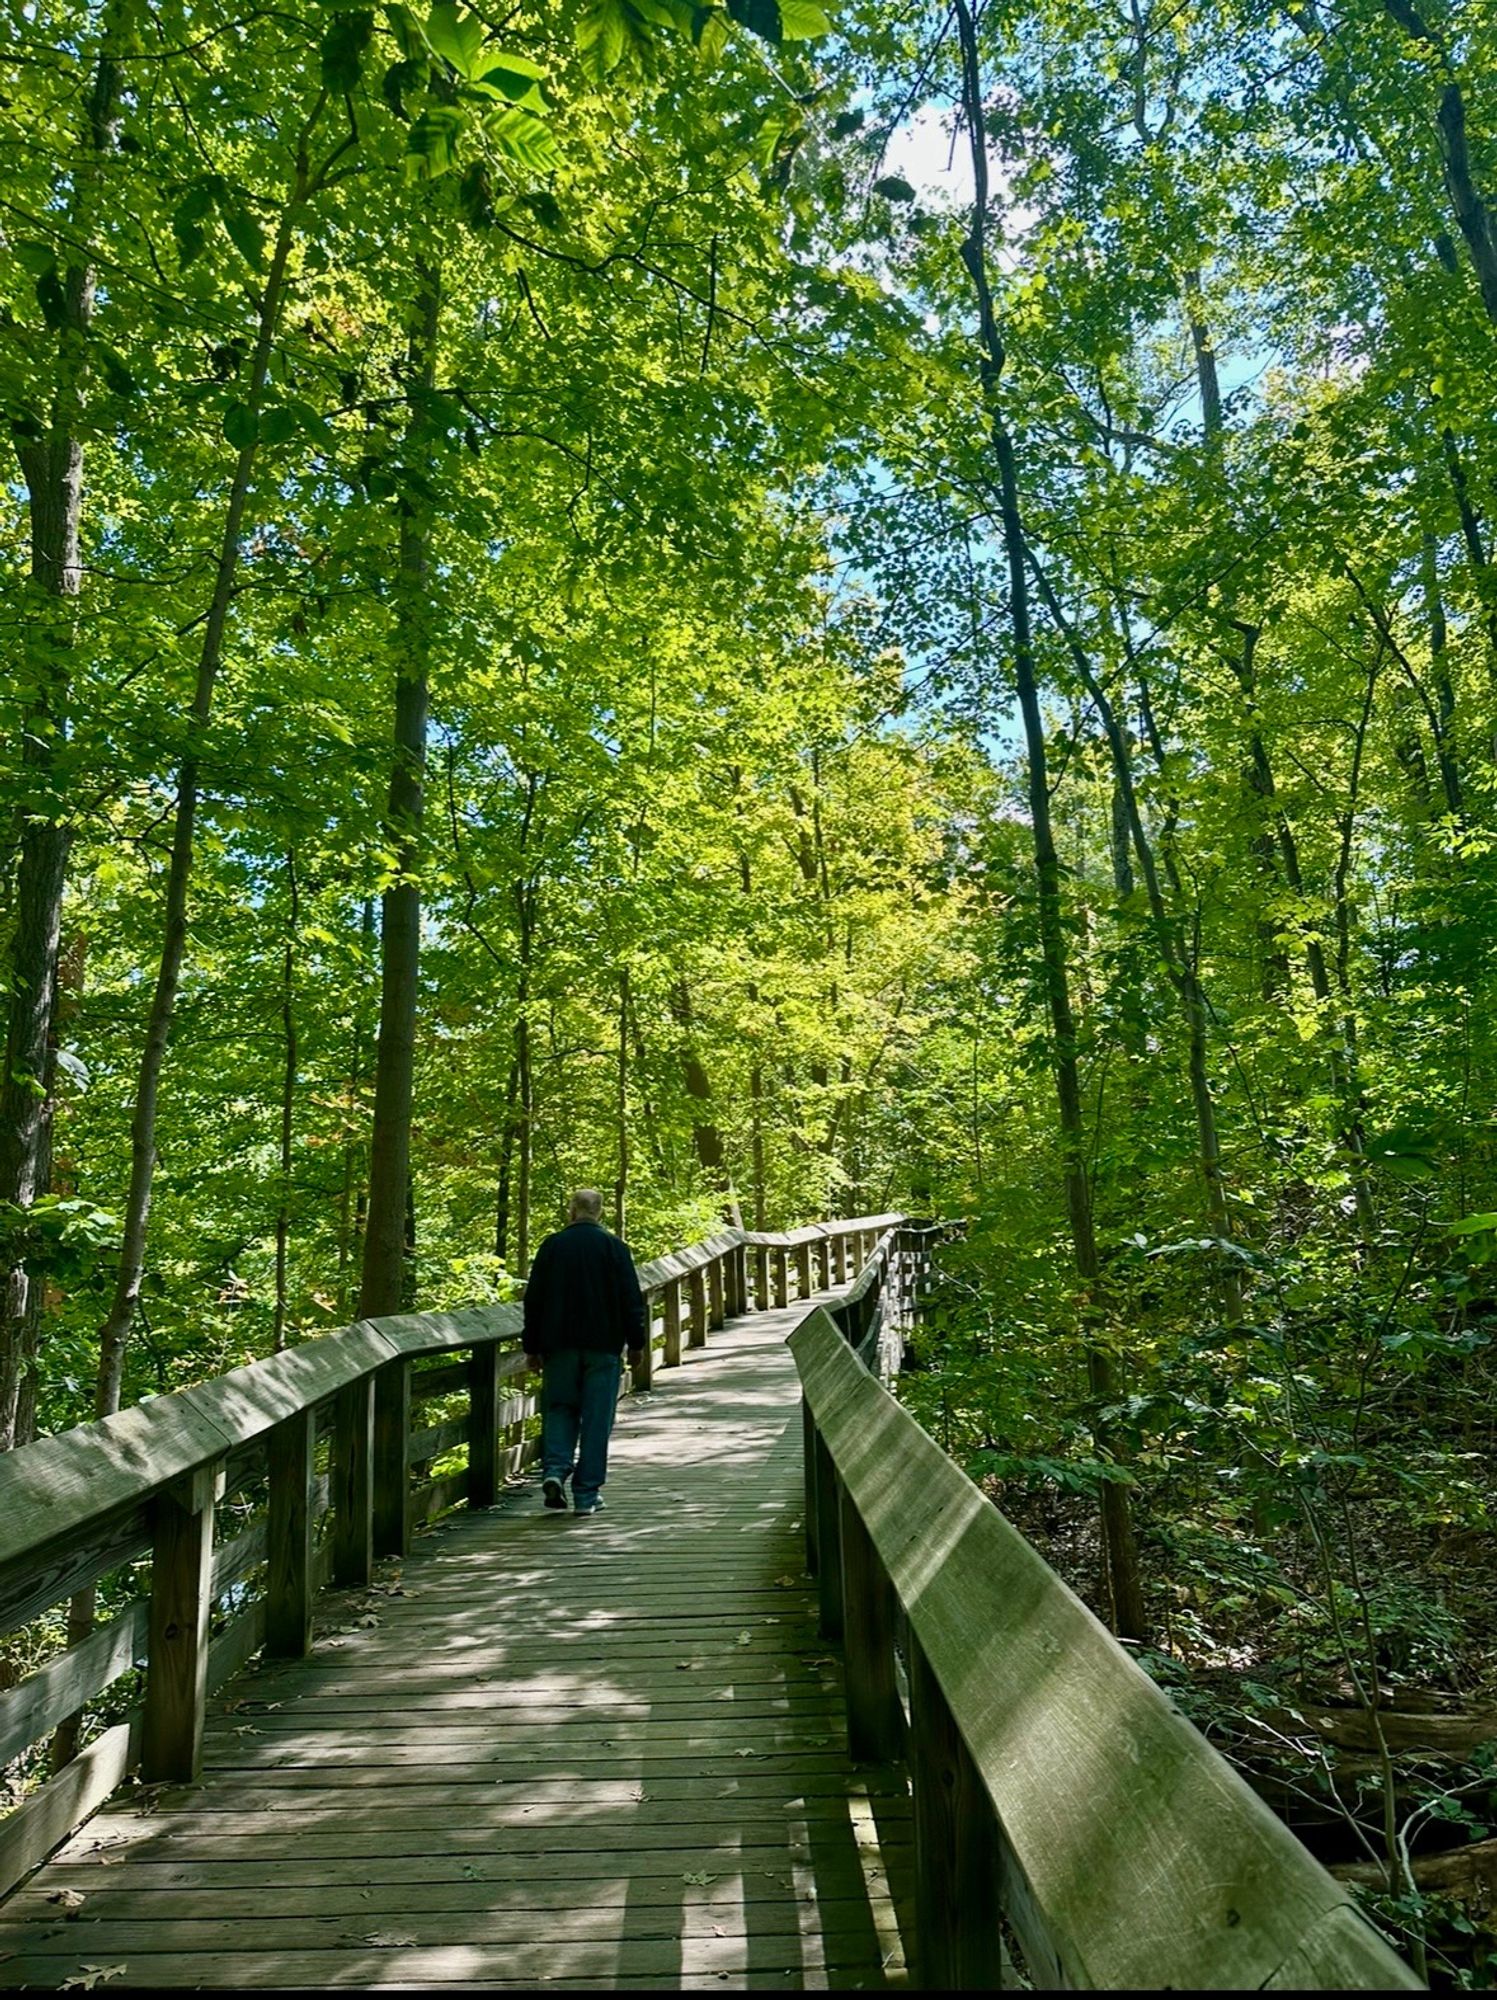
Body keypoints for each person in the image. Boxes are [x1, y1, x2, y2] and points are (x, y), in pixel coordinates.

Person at [523, 1189, 645, 1515]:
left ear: (572, 1210)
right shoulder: (614, 1248)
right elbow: (631, 1300)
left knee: (560, 1409)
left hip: (558, 1347)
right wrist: (637, 1343)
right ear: (600, 1212)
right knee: (596, 1419)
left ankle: (554, 1470)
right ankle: (586, 1496)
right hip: (603, 1347)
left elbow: (533, 1300)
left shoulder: (552, 1246)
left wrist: (531, 1346)